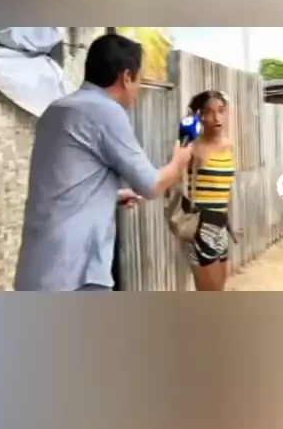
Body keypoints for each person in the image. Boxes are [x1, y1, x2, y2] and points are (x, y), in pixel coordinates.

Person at [14, 33, 193, 291]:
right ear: (126, 77)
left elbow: (61, 183)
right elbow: (151, 185)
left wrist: (112, 195)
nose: (138, 90)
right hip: (76, 274)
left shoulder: (57, 109)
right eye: (139, 80)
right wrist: (179, 162)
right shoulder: (106, 111)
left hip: (37, 270)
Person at [185, 90, 236, 292]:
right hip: (201, 226)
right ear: (200, 116)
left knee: (219, 290)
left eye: (221, 111)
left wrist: (229, 222)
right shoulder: (192, 148)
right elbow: (174, 184)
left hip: (221, 225)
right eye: (210, 112)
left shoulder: (229, 146)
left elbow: (225, 189)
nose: (217, 118)